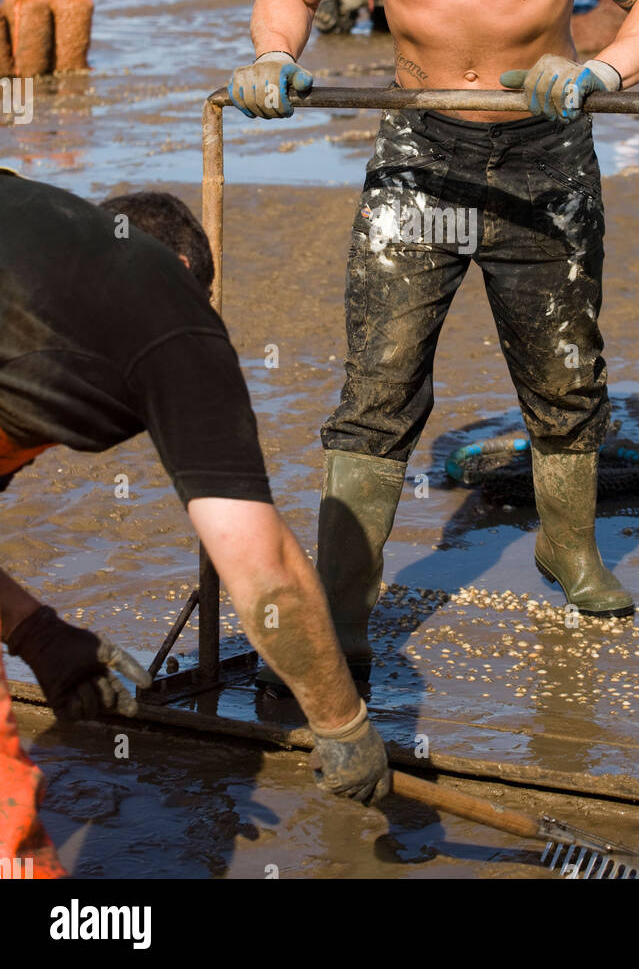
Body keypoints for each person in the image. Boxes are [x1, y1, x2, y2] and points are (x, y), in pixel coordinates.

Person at [227, 0, 639, 680]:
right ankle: (346, 609)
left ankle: (569, 547)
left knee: (566, 373)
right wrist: (272, 55)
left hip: (544, 146)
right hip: (419, 150)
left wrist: (601, 75)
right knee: (381, 385)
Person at [0, 173, 388, 876]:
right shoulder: (167, 308)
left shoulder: (31, 247)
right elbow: (263, 570)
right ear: (183, 274)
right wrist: (342, 723)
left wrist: (36, 631)